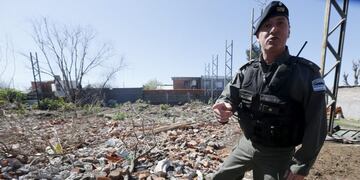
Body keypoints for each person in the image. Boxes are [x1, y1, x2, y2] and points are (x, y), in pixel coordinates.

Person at [211, 1, 327, 180]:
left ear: (289, 31)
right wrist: (225, 105)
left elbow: (317, 126)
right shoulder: (246, 71)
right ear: (258, 36)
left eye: (280, 23)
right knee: (220, 177)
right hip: (247, 145)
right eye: (266, 26)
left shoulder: (306, 75)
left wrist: (300, 166)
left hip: (278, 153)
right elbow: (229, 95)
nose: (273, 30)